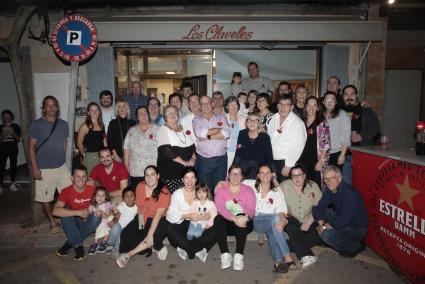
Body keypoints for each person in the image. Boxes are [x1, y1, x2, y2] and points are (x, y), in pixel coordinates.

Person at [29, 95, 71, 234]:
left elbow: (65, 144)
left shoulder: (63, 124)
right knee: (45, 198)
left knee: (70, 193)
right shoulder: (36, 125)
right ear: (44, 108)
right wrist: (35, 168)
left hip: (61, 167)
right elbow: (31, 148)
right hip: (44, 169)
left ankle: (64, 217)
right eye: (48, 105)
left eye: (54, 105)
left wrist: (62, 160)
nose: (51, 107)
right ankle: (52, 221)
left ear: (57, 107)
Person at [117, 166, 170, 268]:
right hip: (142, 217)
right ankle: (154, 247)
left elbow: (158, 215)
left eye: (152, 174)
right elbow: (140, 209)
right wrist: (141, 226)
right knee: (125, 235)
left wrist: (149, 234)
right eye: (147, 175)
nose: (149, 177)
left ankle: (128, 255)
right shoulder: (140, 186)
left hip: (159, 220)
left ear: (158, 176)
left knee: (149, 238)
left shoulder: (164, 191)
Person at [313, 165, 368, 258]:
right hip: (344, 220)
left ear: (339, 178)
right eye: (326, 179)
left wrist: (325, 228)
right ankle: (343, 240)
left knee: (326, 236)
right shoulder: (330, 189)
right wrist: (320, 224)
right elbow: (318, 208)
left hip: (357, 228)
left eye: (332, 178)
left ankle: (354, 246)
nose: (328, 182)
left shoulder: (349, 193)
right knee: (324, 211)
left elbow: (344, 221)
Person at [166, 167, 217, 262]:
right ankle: (197, 249)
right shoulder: (177, 194)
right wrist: (187, 216)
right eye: (186, 178)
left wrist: (208, 216)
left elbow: (212, 209)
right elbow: (170, 215)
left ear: (196, 179)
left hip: (201, 224)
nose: (189, 181)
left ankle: (186, 248)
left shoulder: (202, 191)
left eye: (192, 177)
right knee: (170, 229)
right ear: (182, 180)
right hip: (184, 224)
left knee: (216, 227)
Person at [253, 164, 297, 273]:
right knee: (275, 220)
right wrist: (222, 183)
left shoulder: (277, 191)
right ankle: (287, 257)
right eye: (262, 173)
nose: (265, 175)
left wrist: (282, 219)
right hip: (256, 221)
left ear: (272, 175)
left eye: (268, 172)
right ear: (258, 175)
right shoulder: (251, 185)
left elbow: (282, 209)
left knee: (274, 234)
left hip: (272, 222)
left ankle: (278, 262)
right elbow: (235, 182)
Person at [53, 165, 100, 261]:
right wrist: (78, 213)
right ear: (72, 178)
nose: (81, 179)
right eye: (78, 176)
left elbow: (104, 203)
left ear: (87, 178)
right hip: (74, 222)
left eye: (83, 176)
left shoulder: (92, 189)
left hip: (88, 222)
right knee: (65, 213)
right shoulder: (66, 191)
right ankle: (78, 247)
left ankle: (69, 243)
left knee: (97, 216)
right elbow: (55, 211)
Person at [214, 165, 256, 271]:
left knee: (241, 218)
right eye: (233, 173)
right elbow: (220, 207)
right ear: (228, 175)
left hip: (244, 223)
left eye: (238, 173)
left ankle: (239, 256)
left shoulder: (248, 190)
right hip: (228, 223)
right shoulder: (221, 190)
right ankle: (225, 254)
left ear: (242, 176)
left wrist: (243, 218)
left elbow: (251, 210)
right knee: (218, 219)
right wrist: (234, 218)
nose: (236, 176)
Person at [281, 164, 323, 269]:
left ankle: (286, 244)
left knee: (319, 237)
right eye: (294, 175)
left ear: (304, 175)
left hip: (309, 218)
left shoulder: (313, 186)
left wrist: (310, 223)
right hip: (291, 218)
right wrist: (284, 209)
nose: (296, 178)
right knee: (292, 227)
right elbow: (274, 197)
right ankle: (306, 255)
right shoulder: (285, 185)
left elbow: (319, 208)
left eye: (299, 175)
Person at [341, 84, 380, 185]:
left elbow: (376, 126)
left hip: (361, 154)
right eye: (346, 94)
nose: (349, 97)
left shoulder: (365, 108)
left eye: (352, 94)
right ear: (342, 97)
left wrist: (362, 136)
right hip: (344, 155)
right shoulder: (339, 110)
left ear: (356, 95)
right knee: (346, 183)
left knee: (363, 184)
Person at [193, 95, 230, 196]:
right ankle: (206, 211)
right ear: (200, 106)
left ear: (212, 104)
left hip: (221, 160)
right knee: (204, 189)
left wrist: (207, 137)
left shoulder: (222, 117)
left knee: (219, 189)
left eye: (208, 102)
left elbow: (226, 133)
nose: (205, 105)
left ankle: (218, 211)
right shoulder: (196, 120)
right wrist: (218, 130)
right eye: (202, 103)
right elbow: (199, 133)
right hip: (204, 160)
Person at [156, 105, 196, 193]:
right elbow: (166, 150)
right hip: (171, 174)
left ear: (178, 115)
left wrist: (193, 159)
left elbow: (193, 146)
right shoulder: (163, 130)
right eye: (169, 113)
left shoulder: (184, 128)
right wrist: (184, 163)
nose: (172, 114)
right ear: (165, 117)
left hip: (186, 173)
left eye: (174, 112)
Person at [268, 94, 307, 182]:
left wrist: (289, 165)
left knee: (285, 188)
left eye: (287, 105)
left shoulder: (297, 123)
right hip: (272, 160)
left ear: (292, 107)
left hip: (286, 162)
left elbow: (298, 146)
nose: (283, 107)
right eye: (281, 104)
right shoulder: (274, 118)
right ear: (277, 106)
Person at [298, 96, 330, 187]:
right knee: (303, 184)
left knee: (315, 185)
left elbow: (326, 144)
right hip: (301, 158)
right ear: (305, 107)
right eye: (309, 105)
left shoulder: (322, 123)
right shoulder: (300, 122)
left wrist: (321, 161)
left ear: (317, 108)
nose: (311, 108)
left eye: (314, 105)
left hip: (316, 159)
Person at [123, 106, 159, 187]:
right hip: (136, 170)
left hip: (153, 169)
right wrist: (126, 163)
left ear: (148, 115)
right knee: (138, 194)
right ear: (137, 117)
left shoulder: (157, 129)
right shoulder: (131, 131)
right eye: (140, 113)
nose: (143, 115)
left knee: (153, 194)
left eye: (145, 113)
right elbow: (126, 147)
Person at [233, 112, 274, 179]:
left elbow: (269, 157)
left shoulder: (265, 137)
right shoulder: (242, 134)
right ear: (246, 123)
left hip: (259, 172)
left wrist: (273, 174)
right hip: (243, 171)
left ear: (259, 123)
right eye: (249, 120)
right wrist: (233, 170)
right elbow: (238, 154)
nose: (252, 122)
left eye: (255, 120)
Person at [322, 91, 350, 170]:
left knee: (334, 179)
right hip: (321, 154)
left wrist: (342, 154)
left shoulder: (343, 114)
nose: (330, 101)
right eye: (327, 99)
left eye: (332, 99)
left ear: (336, 102)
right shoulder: (319, 115)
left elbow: (346, 136)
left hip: (337, 153)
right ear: (323, 102)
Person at [105, 187, 138, 256]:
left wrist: (141, 228)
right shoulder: (121, 205)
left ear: (135, 197)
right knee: (116, 228)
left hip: (128, 229)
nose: (129, 198)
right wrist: (113, 221)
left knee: (121, 236)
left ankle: (117, 249)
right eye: (126, 196)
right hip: (120, 225)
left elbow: (141, 221)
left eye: (131, 196)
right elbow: (117, 216)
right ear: (123, 198)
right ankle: (110, 244)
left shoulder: (137, 207)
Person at [77, 102, 107, 174]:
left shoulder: (101, 124)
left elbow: (103, 140)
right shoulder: (84, 126)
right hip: (90, 156)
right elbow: (79, 143)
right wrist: (84, 155)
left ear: (99, 112)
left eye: (96, 110)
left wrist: (106, 151)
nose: (94, 112)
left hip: (101, 156)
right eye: (92, 110)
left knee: (100, 179)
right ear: (88, 112)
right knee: (90, 179)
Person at [87, 186, 113, 255]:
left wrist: (101, 211)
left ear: (105, 196)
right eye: (98, 195)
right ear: (94, 196)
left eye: (103, 196)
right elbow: (88, 215)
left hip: (105, 220)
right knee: (98, 227)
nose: (100, 198)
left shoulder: (107, 204)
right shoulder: (92, 206)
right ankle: (96, 243)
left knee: (105, 228)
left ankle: (104, 241)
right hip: (97, 223)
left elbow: (107, 216)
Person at [0, 109, 21, 193]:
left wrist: (13, 132)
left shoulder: (15, 126)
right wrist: (2, 134)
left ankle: (12, 184)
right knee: (1, 167)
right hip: (2, 150)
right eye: (5, 117)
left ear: (11, 117)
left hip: (13, 149)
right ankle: (0, 185)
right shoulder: (0, 127)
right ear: (2, 118)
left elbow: (18, 139)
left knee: (13, 166)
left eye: (8, 117)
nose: (7, 118)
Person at [225, 96, 246, 170]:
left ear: (238, 106)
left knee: (237, 174)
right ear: (227, 107)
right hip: (226, 151)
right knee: (226, 174)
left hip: (239, 152)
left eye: (235, 104)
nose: (233, 107)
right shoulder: (222, 118)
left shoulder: (243, 119)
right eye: (230, 105)